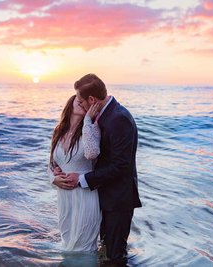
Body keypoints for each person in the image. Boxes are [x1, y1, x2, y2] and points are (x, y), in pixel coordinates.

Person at [67, 74, 142, 265]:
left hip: (118, 201)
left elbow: (120, 166)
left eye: (81, 101)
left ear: (92, 100)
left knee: (114, 256)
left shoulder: (118, 118)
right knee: (106, 251)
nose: (81, 106)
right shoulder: (106, 115)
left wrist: (82, 180)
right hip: (108, 197)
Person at [47, 95, 102, 253]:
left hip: (85, 195)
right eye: (77, 97)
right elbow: (51, 164)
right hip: (64, 197)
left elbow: (92, 153)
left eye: (84, 100)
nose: (80, 100)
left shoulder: (92, 128)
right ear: (69, 103)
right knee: (67, 243)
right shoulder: (58, 131)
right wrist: (53, 179)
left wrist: (87, 121)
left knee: (84, 247)